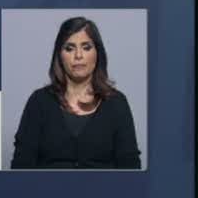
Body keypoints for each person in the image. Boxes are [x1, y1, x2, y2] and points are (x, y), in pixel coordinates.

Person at [10, 17, 141, 169]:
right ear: (59, 55)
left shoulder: (117, 103)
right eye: (69, 48)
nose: (78, 55)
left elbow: (131, 168)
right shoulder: (39, 102)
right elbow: (21, 168)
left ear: (98, 53)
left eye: (86, 47)